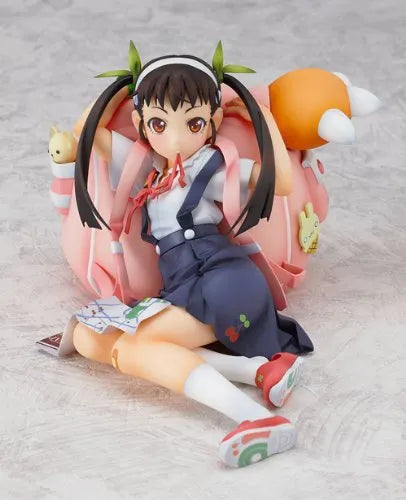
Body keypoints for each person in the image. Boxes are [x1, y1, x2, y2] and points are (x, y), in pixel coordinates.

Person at [71, 42, 314, 468]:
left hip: (223, 280)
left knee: (137, 347)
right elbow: (84, 133)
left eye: (194, 123)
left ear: (213, 122)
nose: (177, 139)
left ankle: (256, 418)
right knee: (87, 338)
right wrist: (123, 89)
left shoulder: (211, 165)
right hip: (181, 286)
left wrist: (260, 116)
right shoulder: (148, 170)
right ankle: (260, 372)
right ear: (142, 123)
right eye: (159, 124)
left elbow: (281, 183)